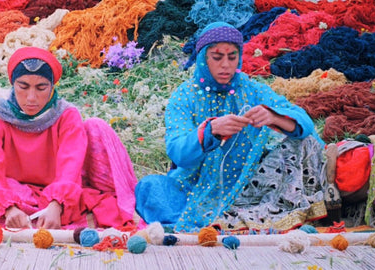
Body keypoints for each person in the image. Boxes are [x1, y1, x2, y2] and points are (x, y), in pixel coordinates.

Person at [134, 22, 327, 233]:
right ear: (203, 58)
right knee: (149, 188)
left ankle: (239, 214)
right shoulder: (185, 96)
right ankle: (223, 217)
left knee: (303, 142)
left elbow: (305, 124)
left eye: (232, 57)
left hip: (247, 183)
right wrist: (211, 131)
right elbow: (178, 152)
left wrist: (274, 116)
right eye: (217, 57)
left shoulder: (252, 90)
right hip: (193, 186)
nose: (225, 65)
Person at [0, 47, 140, 230]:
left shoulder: (66, 116)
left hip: (58, 192)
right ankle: (60, 220)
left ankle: (33, 219)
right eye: (23, 86)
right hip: (15, 192)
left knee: (96, 131)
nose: (31, 97)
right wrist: (8, 208)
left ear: (52, 87)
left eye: (41, 88)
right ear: (13, 85)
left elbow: (70, 168)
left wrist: (56, 205)